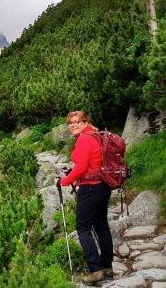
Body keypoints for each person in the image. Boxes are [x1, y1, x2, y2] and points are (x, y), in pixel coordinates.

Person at [57, 111, 113, 285]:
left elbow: (81, 168)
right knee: (101, 226)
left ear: (85, 122)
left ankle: (95, 270)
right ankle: (107, 267)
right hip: (103, 186)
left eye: (77, 122)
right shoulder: (95, 135)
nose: (73, 125)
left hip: (90, 188)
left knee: (83, 228)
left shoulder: (85, 139)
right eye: (70, 123)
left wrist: (64, 181)